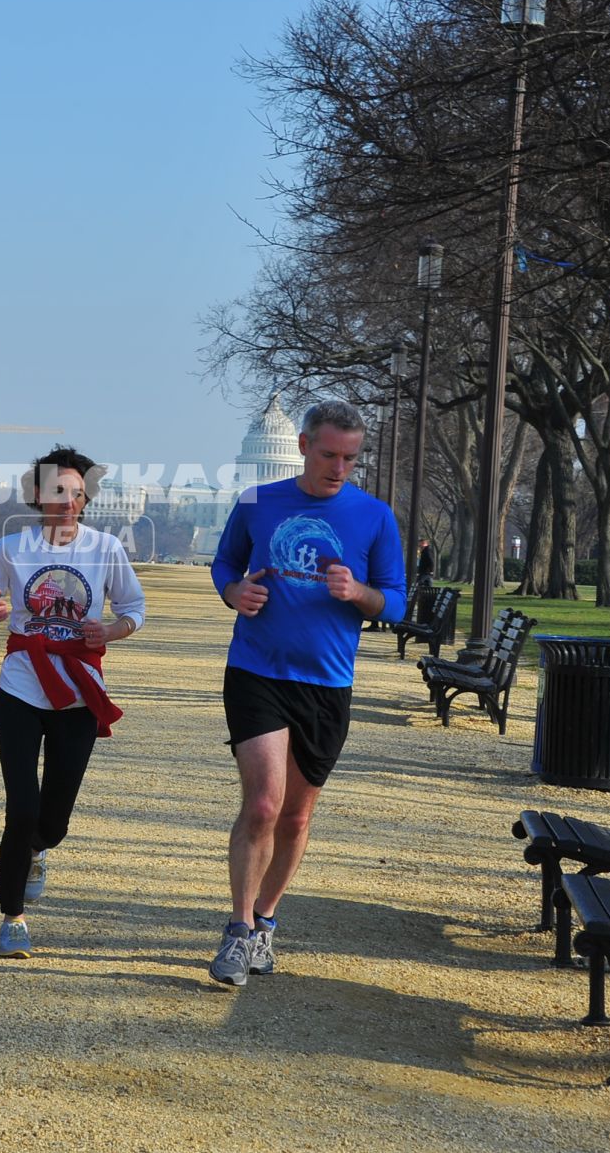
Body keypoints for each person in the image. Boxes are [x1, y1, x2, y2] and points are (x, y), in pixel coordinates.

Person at [207, 399, 405, 985]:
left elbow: (395, 601)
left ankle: (267, 920)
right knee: (264, 804)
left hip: (327, 682)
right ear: (302, 445)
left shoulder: (375, 517)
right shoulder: (256, 501)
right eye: (328, 454)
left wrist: (359, 593)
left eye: (350, 457)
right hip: (256, 671)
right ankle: (239, 931)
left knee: (295, 817)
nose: (339, 467)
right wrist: (234, 593)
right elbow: (224, 564)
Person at [0, 447, 144, 958]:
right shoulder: (13, 548)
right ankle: (12, 916)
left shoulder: (105, 547)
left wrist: (108, 629)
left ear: (87, 498)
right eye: (57, 491)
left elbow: (133, 608)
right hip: (22, 684)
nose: (68, 501)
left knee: (53, 818)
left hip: (80, 691)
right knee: (21, 807)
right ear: (37, 495)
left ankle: (40, 849)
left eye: (76, 492)